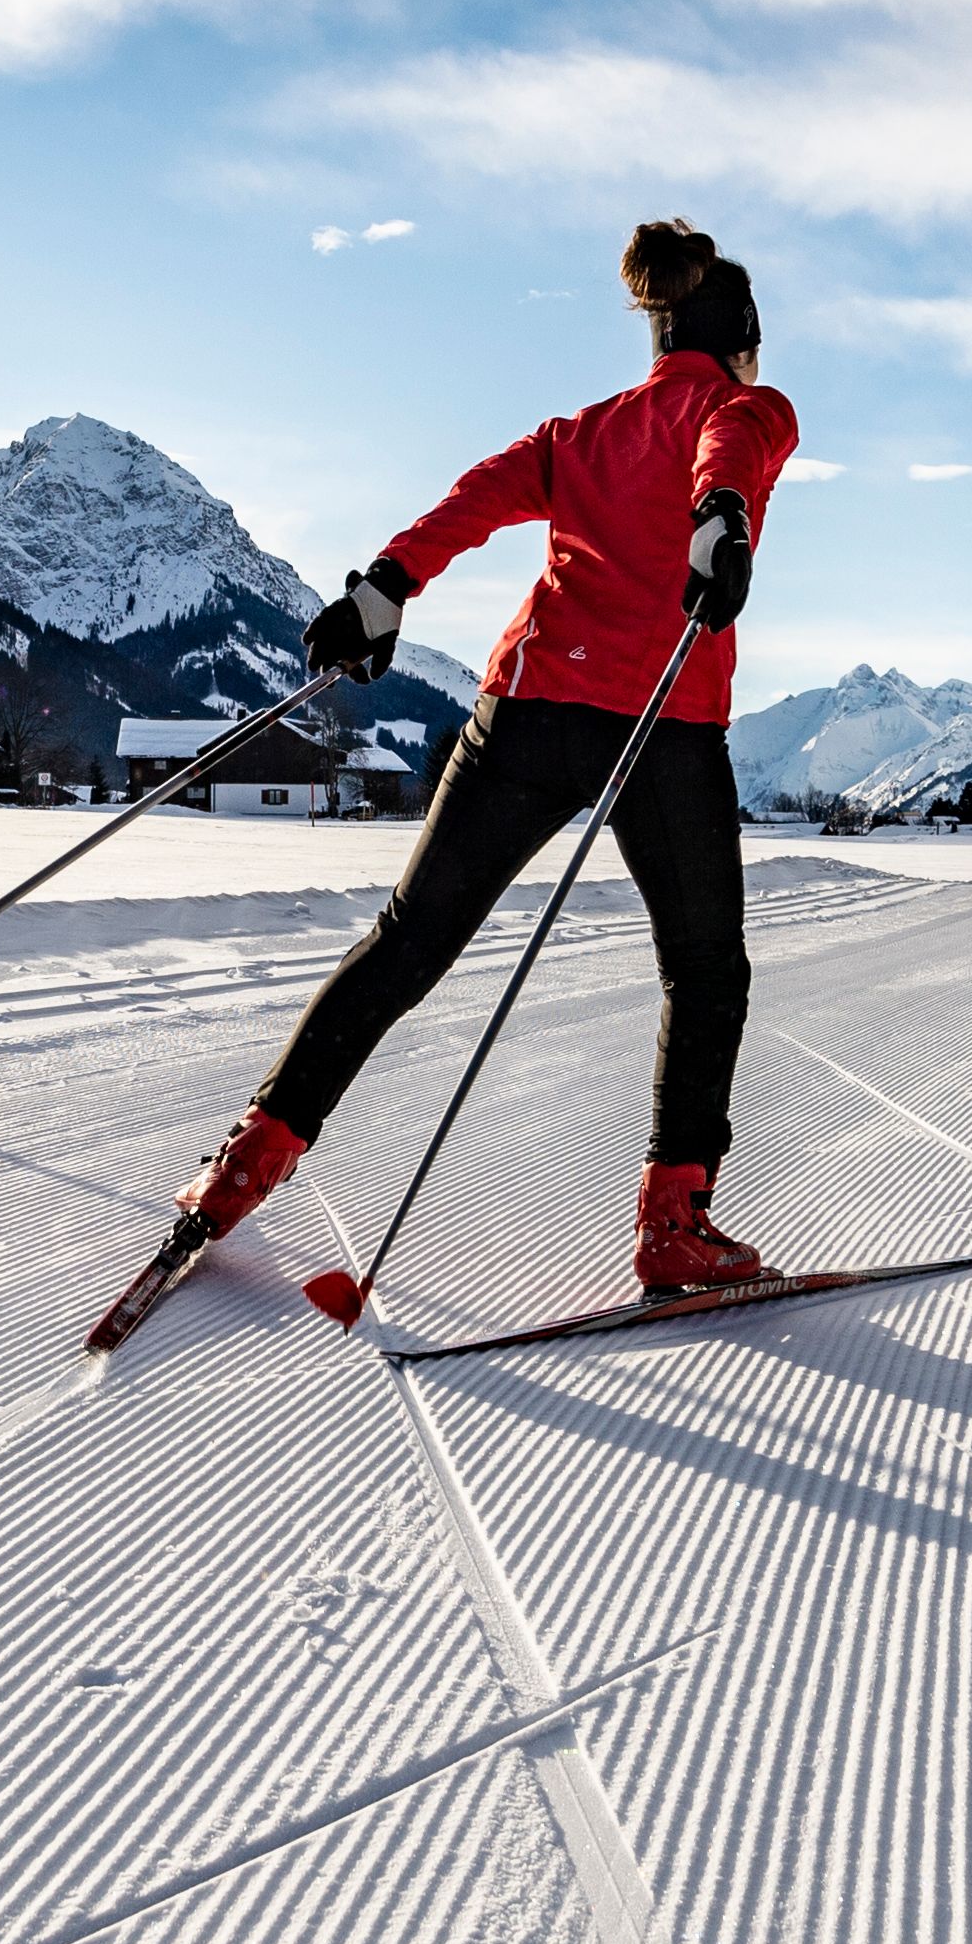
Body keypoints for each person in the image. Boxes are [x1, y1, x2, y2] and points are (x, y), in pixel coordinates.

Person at [163, 219, 799, 1299]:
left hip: (530, 705)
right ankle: (672, 1223)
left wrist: (384, 585)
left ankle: (244, 1163)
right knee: (703, 970)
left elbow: (476, 498)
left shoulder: (580, 433)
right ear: (738, 337)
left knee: (408, 940)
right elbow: (723, 454)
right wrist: (719, 520)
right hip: (661, 720)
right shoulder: (750, 405)